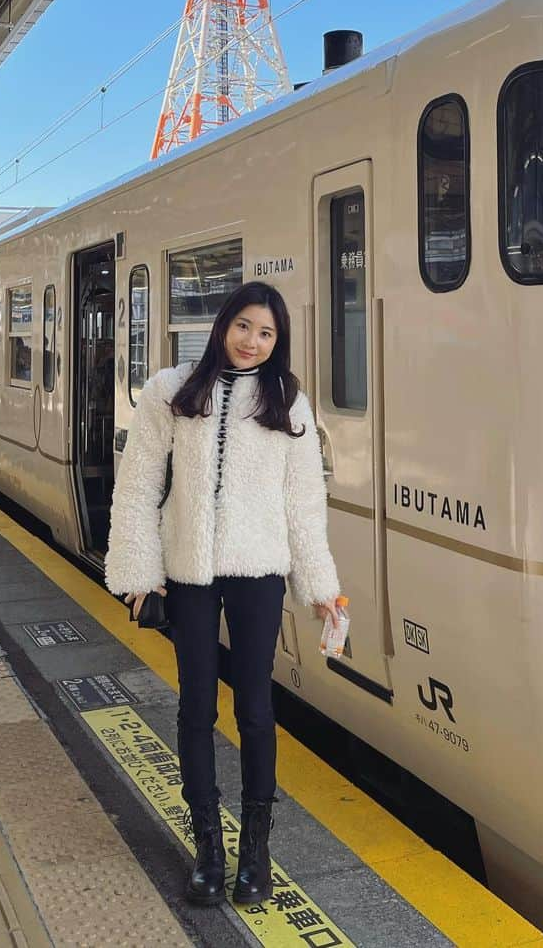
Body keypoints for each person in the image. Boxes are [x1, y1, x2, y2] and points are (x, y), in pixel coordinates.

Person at [105, 281, 342, 909]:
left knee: (257, 707)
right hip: (186, 570)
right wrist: (137, 571)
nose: (252, 342)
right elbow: (137, 486)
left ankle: (255, 853)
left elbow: (302, 502)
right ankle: (208, 847)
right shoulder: (171, 391)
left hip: (258, 571)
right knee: (196, 707)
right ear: (221, 326)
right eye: (244, 327)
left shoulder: (287, 400)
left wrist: (320, 585)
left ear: (277, 341)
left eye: (266, 333)